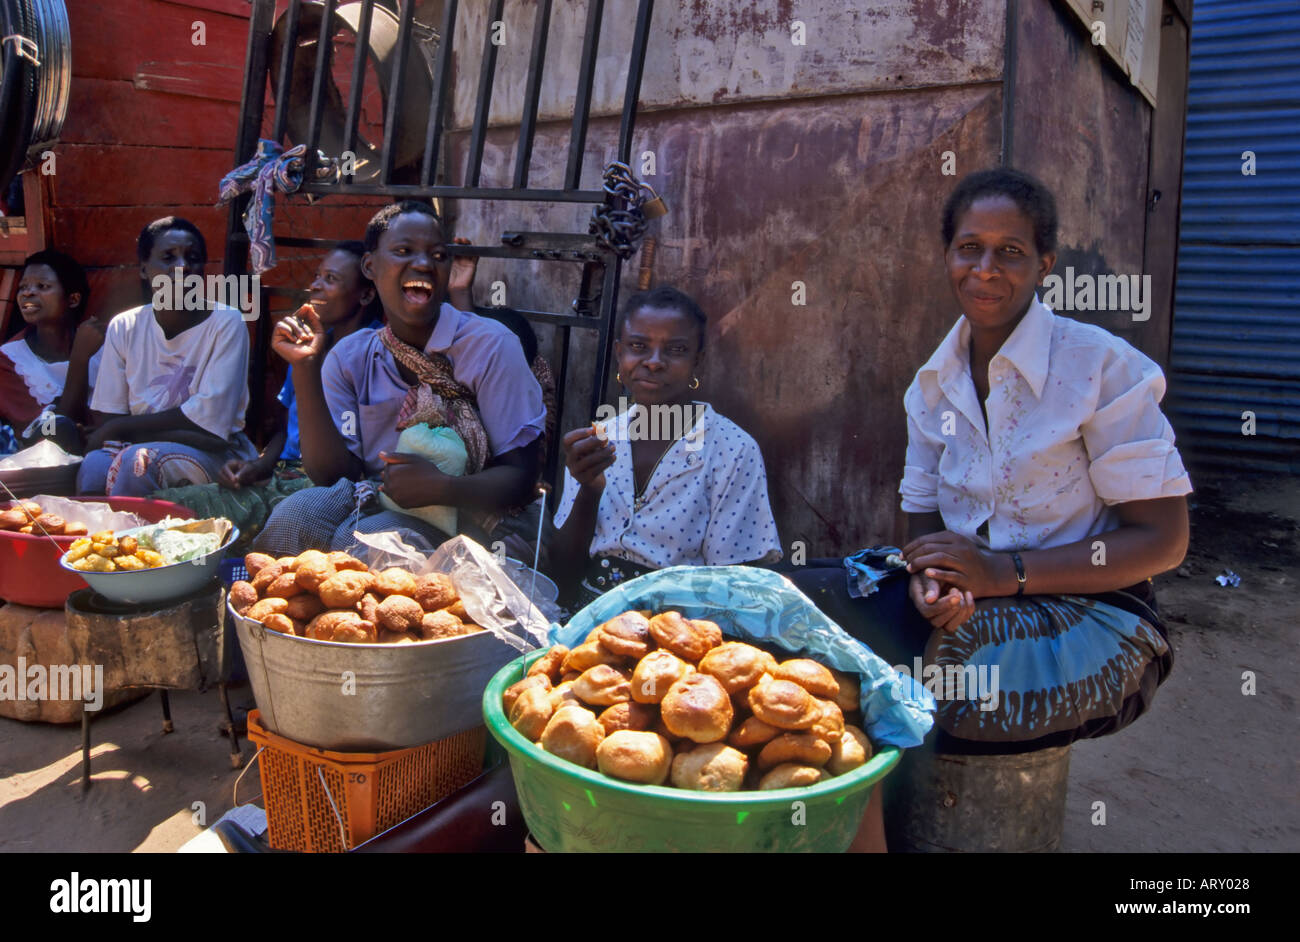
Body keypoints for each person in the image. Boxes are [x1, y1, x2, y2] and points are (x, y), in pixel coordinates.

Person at [791, 167, 1191, 849]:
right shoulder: (932, 385)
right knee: (794, 608)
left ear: (1044, 264)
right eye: (968, 247)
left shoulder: (1099, 369)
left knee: (891, 677)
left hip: (1100, 616)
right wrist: (932, 579)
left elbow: (1162, 541)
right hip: (977, 598)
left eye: (1010, 252)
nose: (985, 269)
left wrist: (1006, 575)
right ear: (947, 255)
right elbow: (920, 521)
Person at [252, 201, 548, 558]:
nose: (424, 264)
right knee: (294, 518)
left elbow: (521, 479)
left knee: (366, 543)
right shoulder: (351, 357)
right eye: (404, 251)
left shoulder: (491, 346)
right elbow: (333, 476)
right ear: (370, 266)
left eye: (438, 255)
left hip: (475, 512)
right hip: (379, 496)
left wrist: (443, 488)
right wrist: (306, 369)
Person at [550, 285, 781, 606]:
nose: (654, 362)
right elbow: (561, 576)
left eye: (675, 350)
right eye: (638, 346)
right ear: (620, 355)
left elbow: (733, 588)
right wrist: (589, 490)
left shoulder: (732, 450)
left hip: (681, 630)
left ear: (697, 361)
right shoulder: (597, 440)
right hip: (588, 623)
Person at [150, 241, 384, 547]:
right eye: (316, 276)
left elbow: (359, 461)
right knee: (160, 510)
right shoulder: (307, 345)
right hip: (281, 477)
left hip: (326, 488)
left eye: (330, 279)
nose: (314, 286)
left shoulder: (374, 353)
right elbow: (285, 430)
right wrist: (257, 467)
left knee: (242, 535)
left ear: (365, 294)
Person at [76, 216, 259, 496]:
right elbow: (107, 420)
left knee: (138, 464)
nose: (183, 267)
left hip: (219, 455)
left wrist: (122, 429)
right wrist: (115, 430)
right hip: (135, 445)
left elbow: (212, 434)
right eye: (168, 258)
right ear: (144, 270)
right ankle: (97, 541)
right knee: (93, 467)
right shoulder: (125, 326)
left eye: (193, 258)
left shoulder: (226, 323)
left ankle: (138, 539)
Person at [0, 250, 93, 454]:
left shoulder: (101, 345)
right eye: (23, 287)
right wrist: (80, 358)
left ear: (73, 299)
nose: (27, 293)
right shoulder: (8, 360)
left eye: (42, 286)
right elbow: (49, 434)